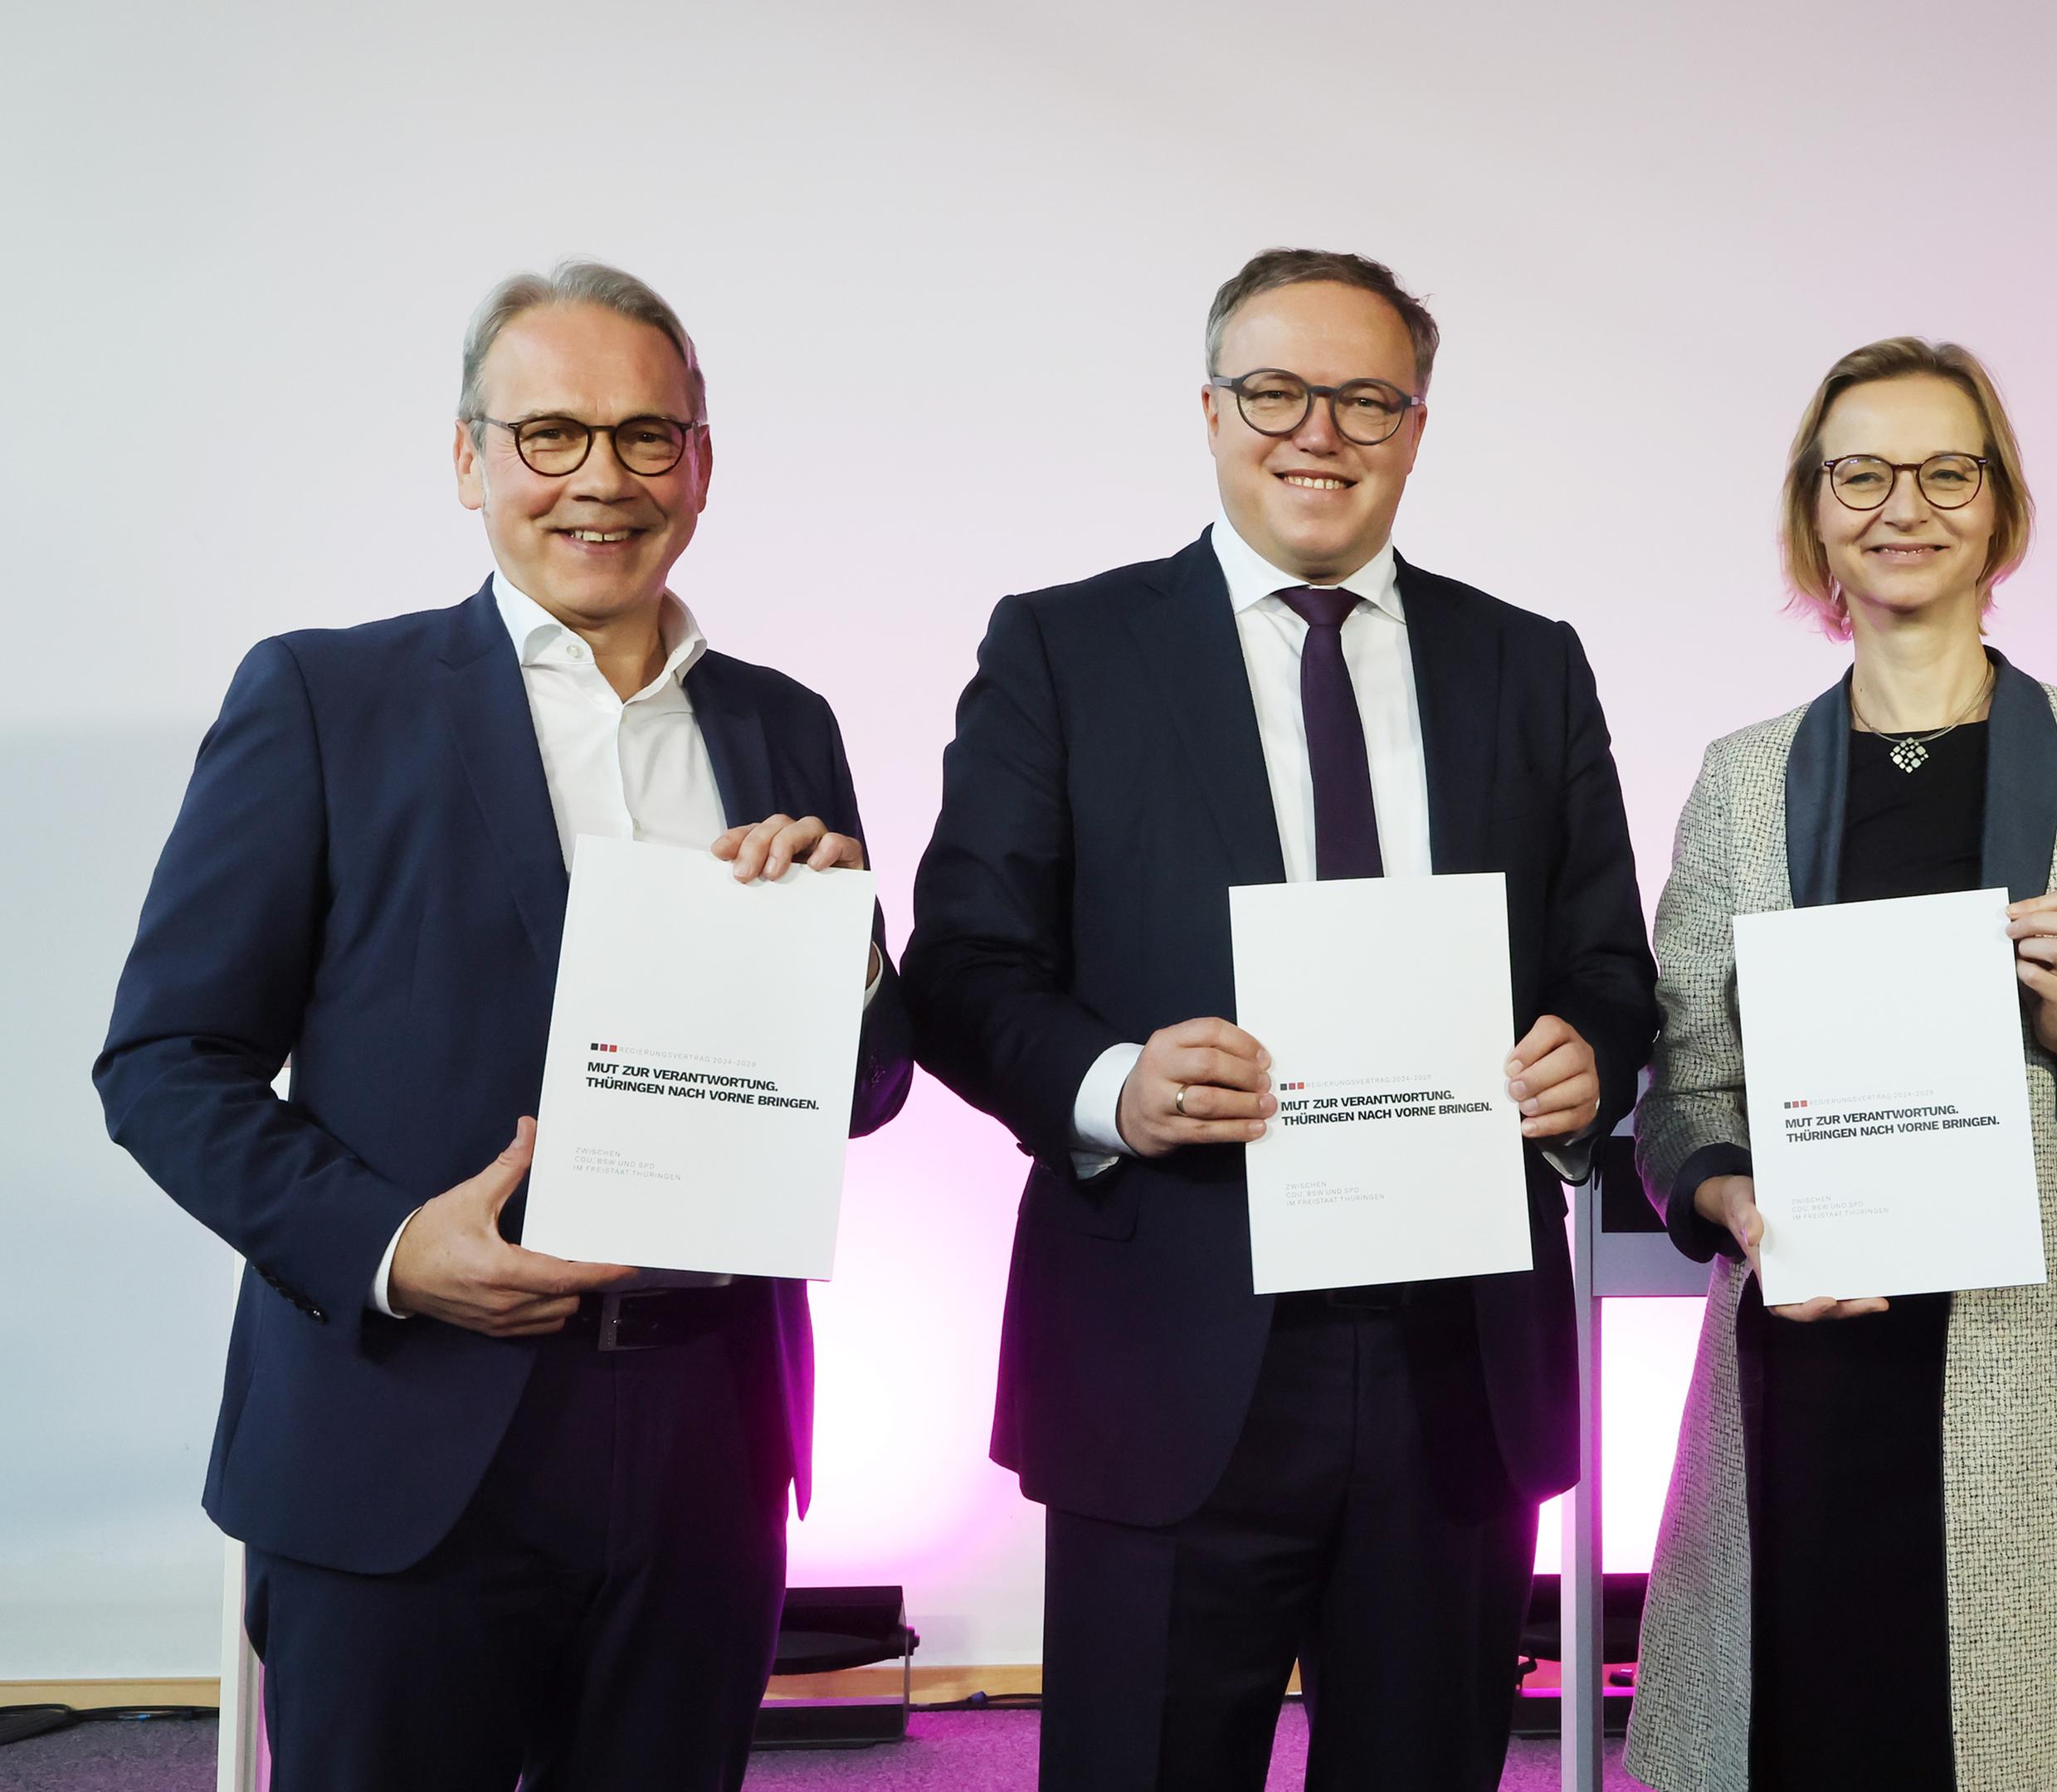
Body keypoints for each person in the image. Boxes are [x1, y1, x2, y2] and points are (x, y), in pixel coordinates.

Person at [92, 261, 914, 1790]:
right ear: (467, 459)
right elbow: (165, 1065)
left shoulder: (783, 722)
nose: (600, 479)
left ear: (703, 462)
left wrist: (854, 967)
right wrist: (395, 1248)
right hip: (398, 1437)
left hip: (703, 1442)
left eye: (645, 436)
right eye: (549, 435)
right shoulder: (328, 699)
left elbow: (861, 1096)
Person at [904, 247, 1655, 1792]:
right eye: (1276, 391)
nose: (1319, 431)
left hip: (1458, 1362)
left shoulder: (1527, 661)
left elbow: (1606, 969)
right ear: (1209, 409)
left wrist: (1587, 1060)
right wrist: (1113, 1085)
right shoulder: (1062, 649)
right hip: (1167, 1356)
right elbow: (962, 968)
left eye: (1366, 398)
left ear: (1417, 426)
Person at [1624, 338, 2057, 1791]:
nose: (1904, 506)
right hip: (1810, 1356)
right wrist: (1734, 1208)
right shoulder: (1741, 778)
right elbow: (1688, 1099)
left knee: (2052, 1751)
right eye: (1863, 472)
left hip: (2052, 1363)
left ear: (2000, 507)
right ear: (1814, 511)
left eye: (1946, 470)